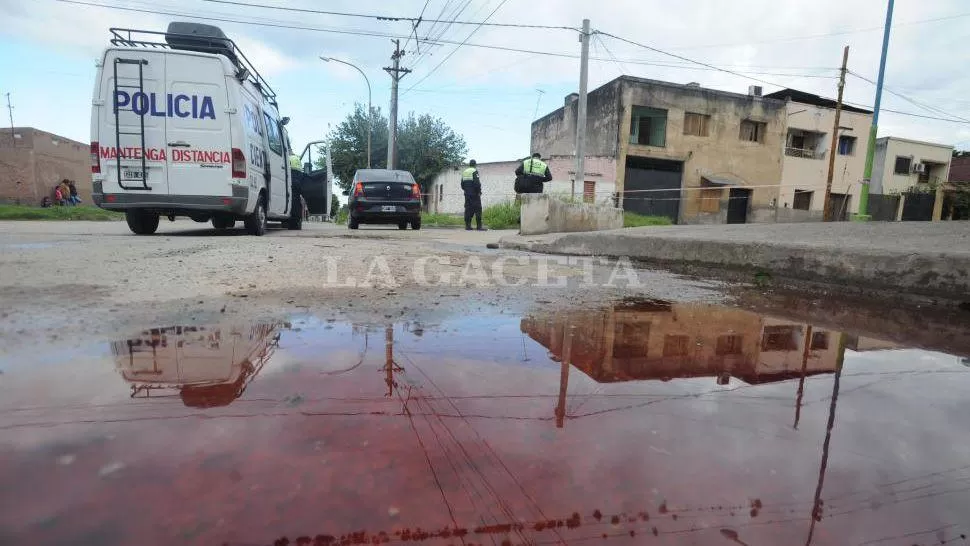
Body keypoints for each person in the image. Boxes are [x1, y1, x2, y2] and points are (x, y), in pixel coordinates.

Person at [460, 159, 485, 231]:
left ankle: (468, 226)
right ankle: (479, 227)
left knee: (468, 209)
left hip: (467, 194)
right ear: (475, 164)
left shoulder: (464, 172)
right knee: (478, 209)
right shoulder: (474, 171)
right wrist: (479, 191)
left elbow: (462, 184)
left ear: (469, 164)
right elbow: (477, 183)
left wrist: (466, 190)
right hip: (475, 194)